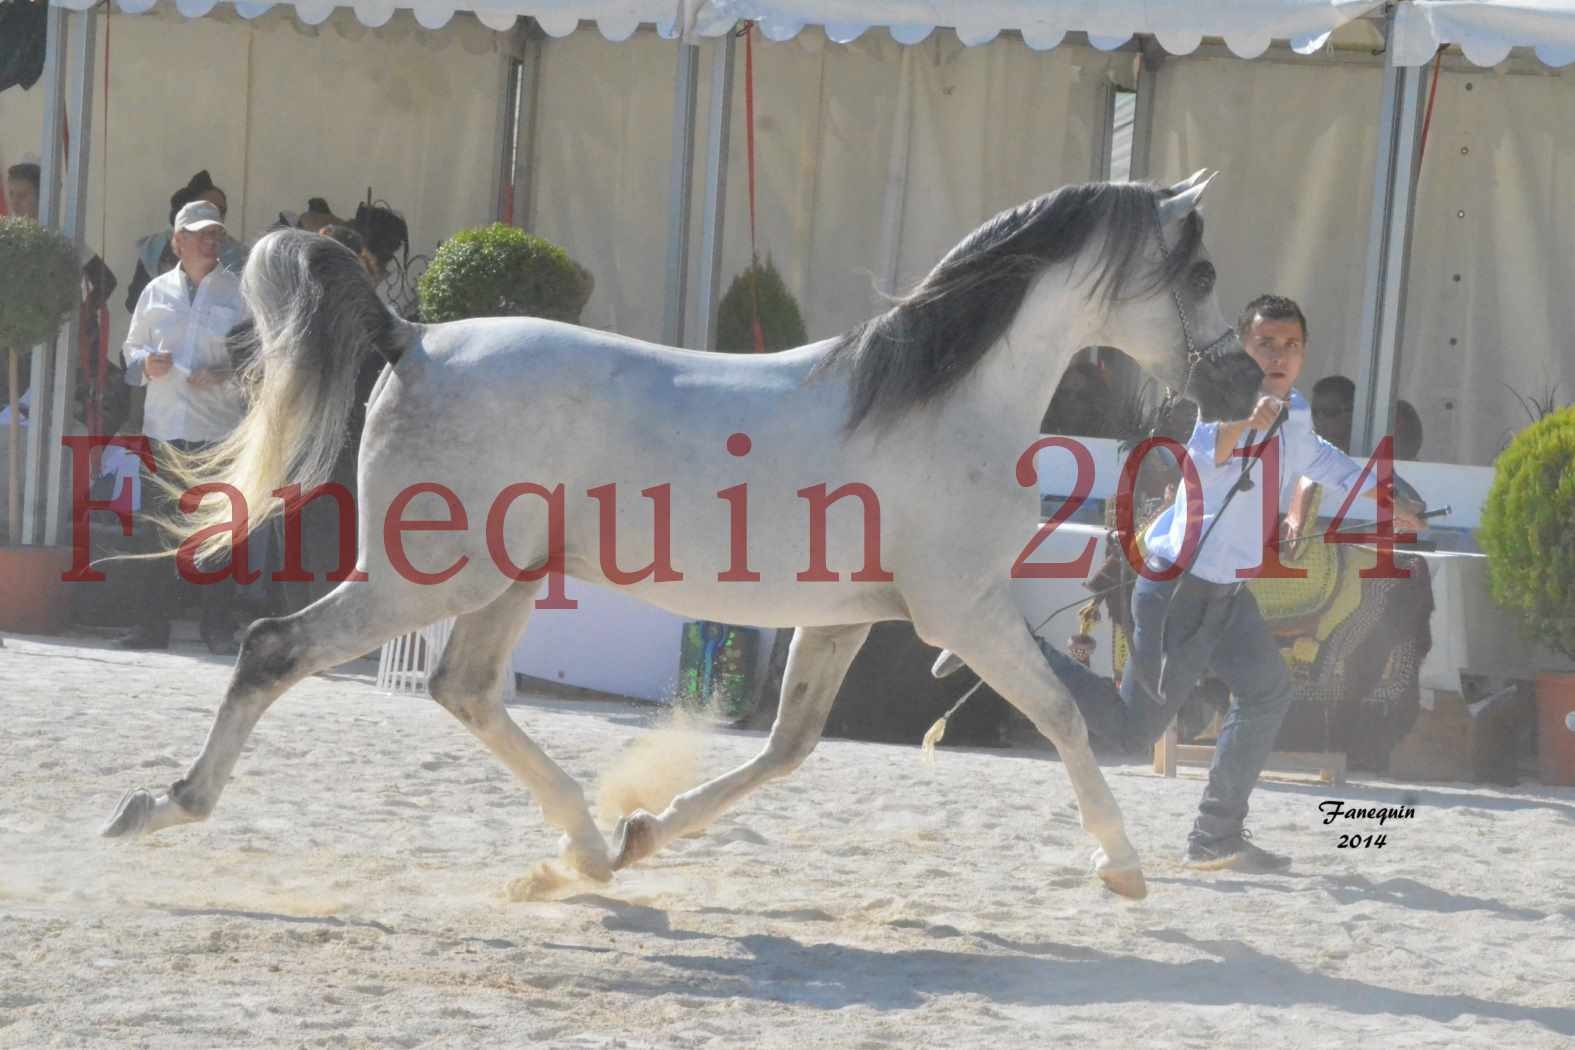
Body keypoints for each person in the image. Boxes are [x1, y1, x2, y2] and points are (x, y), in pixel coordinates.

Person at [1041, 294, 1425, 872]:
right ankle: (1021, 650)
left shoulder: (1294, 410)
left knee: (1268, 692)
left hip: (1226, 596)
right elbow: (1203, 460)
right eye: (1266, 342)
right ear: (1243, 347)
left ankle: (1215, 836)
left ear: (1302, 353)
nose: (1279, 353)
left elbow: (1322, 461)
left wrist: (1388, 494)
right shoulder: (1218, 401)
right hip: (1177, 592)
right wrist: (1249, 421)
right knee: (1132, 732)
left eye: (1290, 344)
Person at [116, 200, 249, 653]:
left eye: (216, 233)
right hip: (163, 428)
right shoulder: (154, 292)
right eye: (200, 233)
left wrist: (227, 375)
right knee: (156, 528)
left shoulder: (238, 293)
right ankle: (151, 627)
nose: (211, 240)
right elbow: (130, 351)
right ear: (178, 241)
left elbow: (262, 359)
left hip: (218, 430)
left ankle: (217, 628)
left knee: (218, 531)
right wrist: (146, 364)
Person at [3, 162, 125, 435]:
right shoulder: (7, 241)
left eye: (23, 195)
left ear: (42, 195)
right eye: (12, 194)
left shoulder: (62, 238)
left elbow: (106, 279)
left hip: (59, 347)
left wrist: (82, 312)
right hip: (17, 348)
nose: (16, 202)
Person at [125, 171, 246, 314]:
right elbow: (134, 302)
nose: (215, 214)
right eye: (206, 207)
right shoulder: (155, 249)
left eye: (221, 210)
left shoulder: (239, 255)